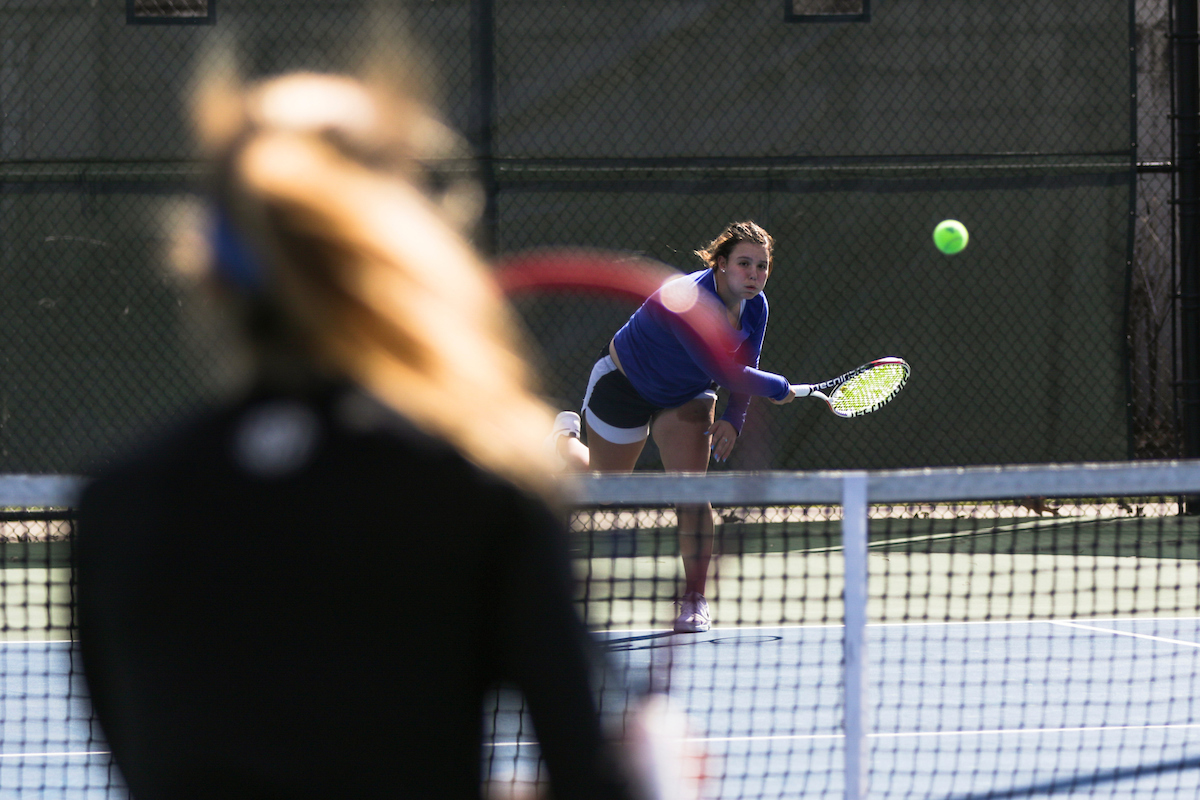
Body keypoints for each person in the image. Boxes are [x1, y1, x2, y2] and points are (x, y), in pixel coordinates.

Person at [75, 69, 638, 800]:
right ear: (399, 246)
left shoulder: (118, 505)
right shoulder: (483, 493)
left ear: (208, 266)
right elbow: (587, 778)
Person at [550, 222, 797, 633]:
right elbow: (725, 370)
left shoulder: (757, 306)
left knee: (691, 492)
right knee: (604, 488)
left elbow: (745, 366)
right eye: (744, 263)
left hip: (687, 395)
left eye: (762, 266)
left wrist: (734, 419)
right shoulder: (690, 300)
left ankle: (694, 598)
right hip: (624, 385)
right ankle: (564, 441)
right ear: (721, 264)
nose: (754, 274)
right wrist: (779, 387)